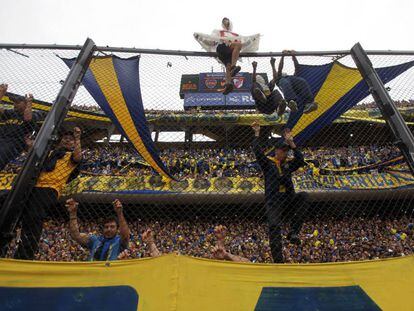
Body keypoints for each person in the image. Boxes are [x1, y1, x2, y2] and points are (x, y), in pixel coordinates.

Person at [11, 128, 83, 259]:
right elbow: (35, 159)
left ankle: (25, 255)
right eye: (65, 137)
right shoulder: (50, 152)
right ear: (60, 140)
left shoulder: (69, 156)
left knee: (34, 217)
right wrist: (30, 147)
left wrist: (78, 138)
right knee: (13, 210)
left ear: (73, 144)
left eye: (70, 139)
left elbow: (78, 157)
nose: (67, 139)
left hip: (50, 188)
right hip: (31, 185)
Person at [251, 122, 309, 263]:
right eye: (281, 150)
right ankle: (278, 259)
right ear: (276, 151)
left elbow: (300, 160)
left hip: (288, 199)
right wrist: (257, 133)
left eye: (286, 150)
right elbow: (257, 152)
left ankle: (294, 232)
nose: (284, 152)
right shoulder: (268, 164)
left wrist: (292, 143)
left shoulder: (288, 164)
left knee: (304, 196)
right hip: (274, 202)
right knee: (274, 226)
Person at [194, 17, 260, 95]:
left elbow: (244, 43)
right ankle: (233, 67)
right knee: (237, 46)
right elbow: (211, 41)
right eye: (224, 22)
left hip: (231, 53)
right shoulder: (218, 32)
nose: (226, 23)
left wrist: (253, 39)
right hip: (222, 48)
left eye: (227, 21)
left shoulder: (236, 35)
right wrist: (201, 38)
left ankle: (228, 84)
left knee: (228, 66)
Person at [66, 198, 131, 261]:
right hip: (93, 271)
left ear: (117, 229)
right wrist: (73, 214)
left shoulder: (119, 241)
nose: (109, 229)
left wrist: (119, 213)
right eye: (106, 227)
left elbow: (125, 235)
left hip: (110, 271)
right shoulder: (95, 240)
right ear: (102, 229)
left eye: (112, 227)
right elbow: (76, 236)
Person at [0, 84, 41, 170]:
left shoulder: (34, 114)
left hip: (14, 142)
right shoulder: (11, 112)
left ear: (25, 103)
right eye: (14, 102)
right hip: (2, 138)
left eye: (18, 102)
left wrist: (29, 102)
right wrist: (1, 93)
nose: (15, 104)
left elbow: (27, 118)